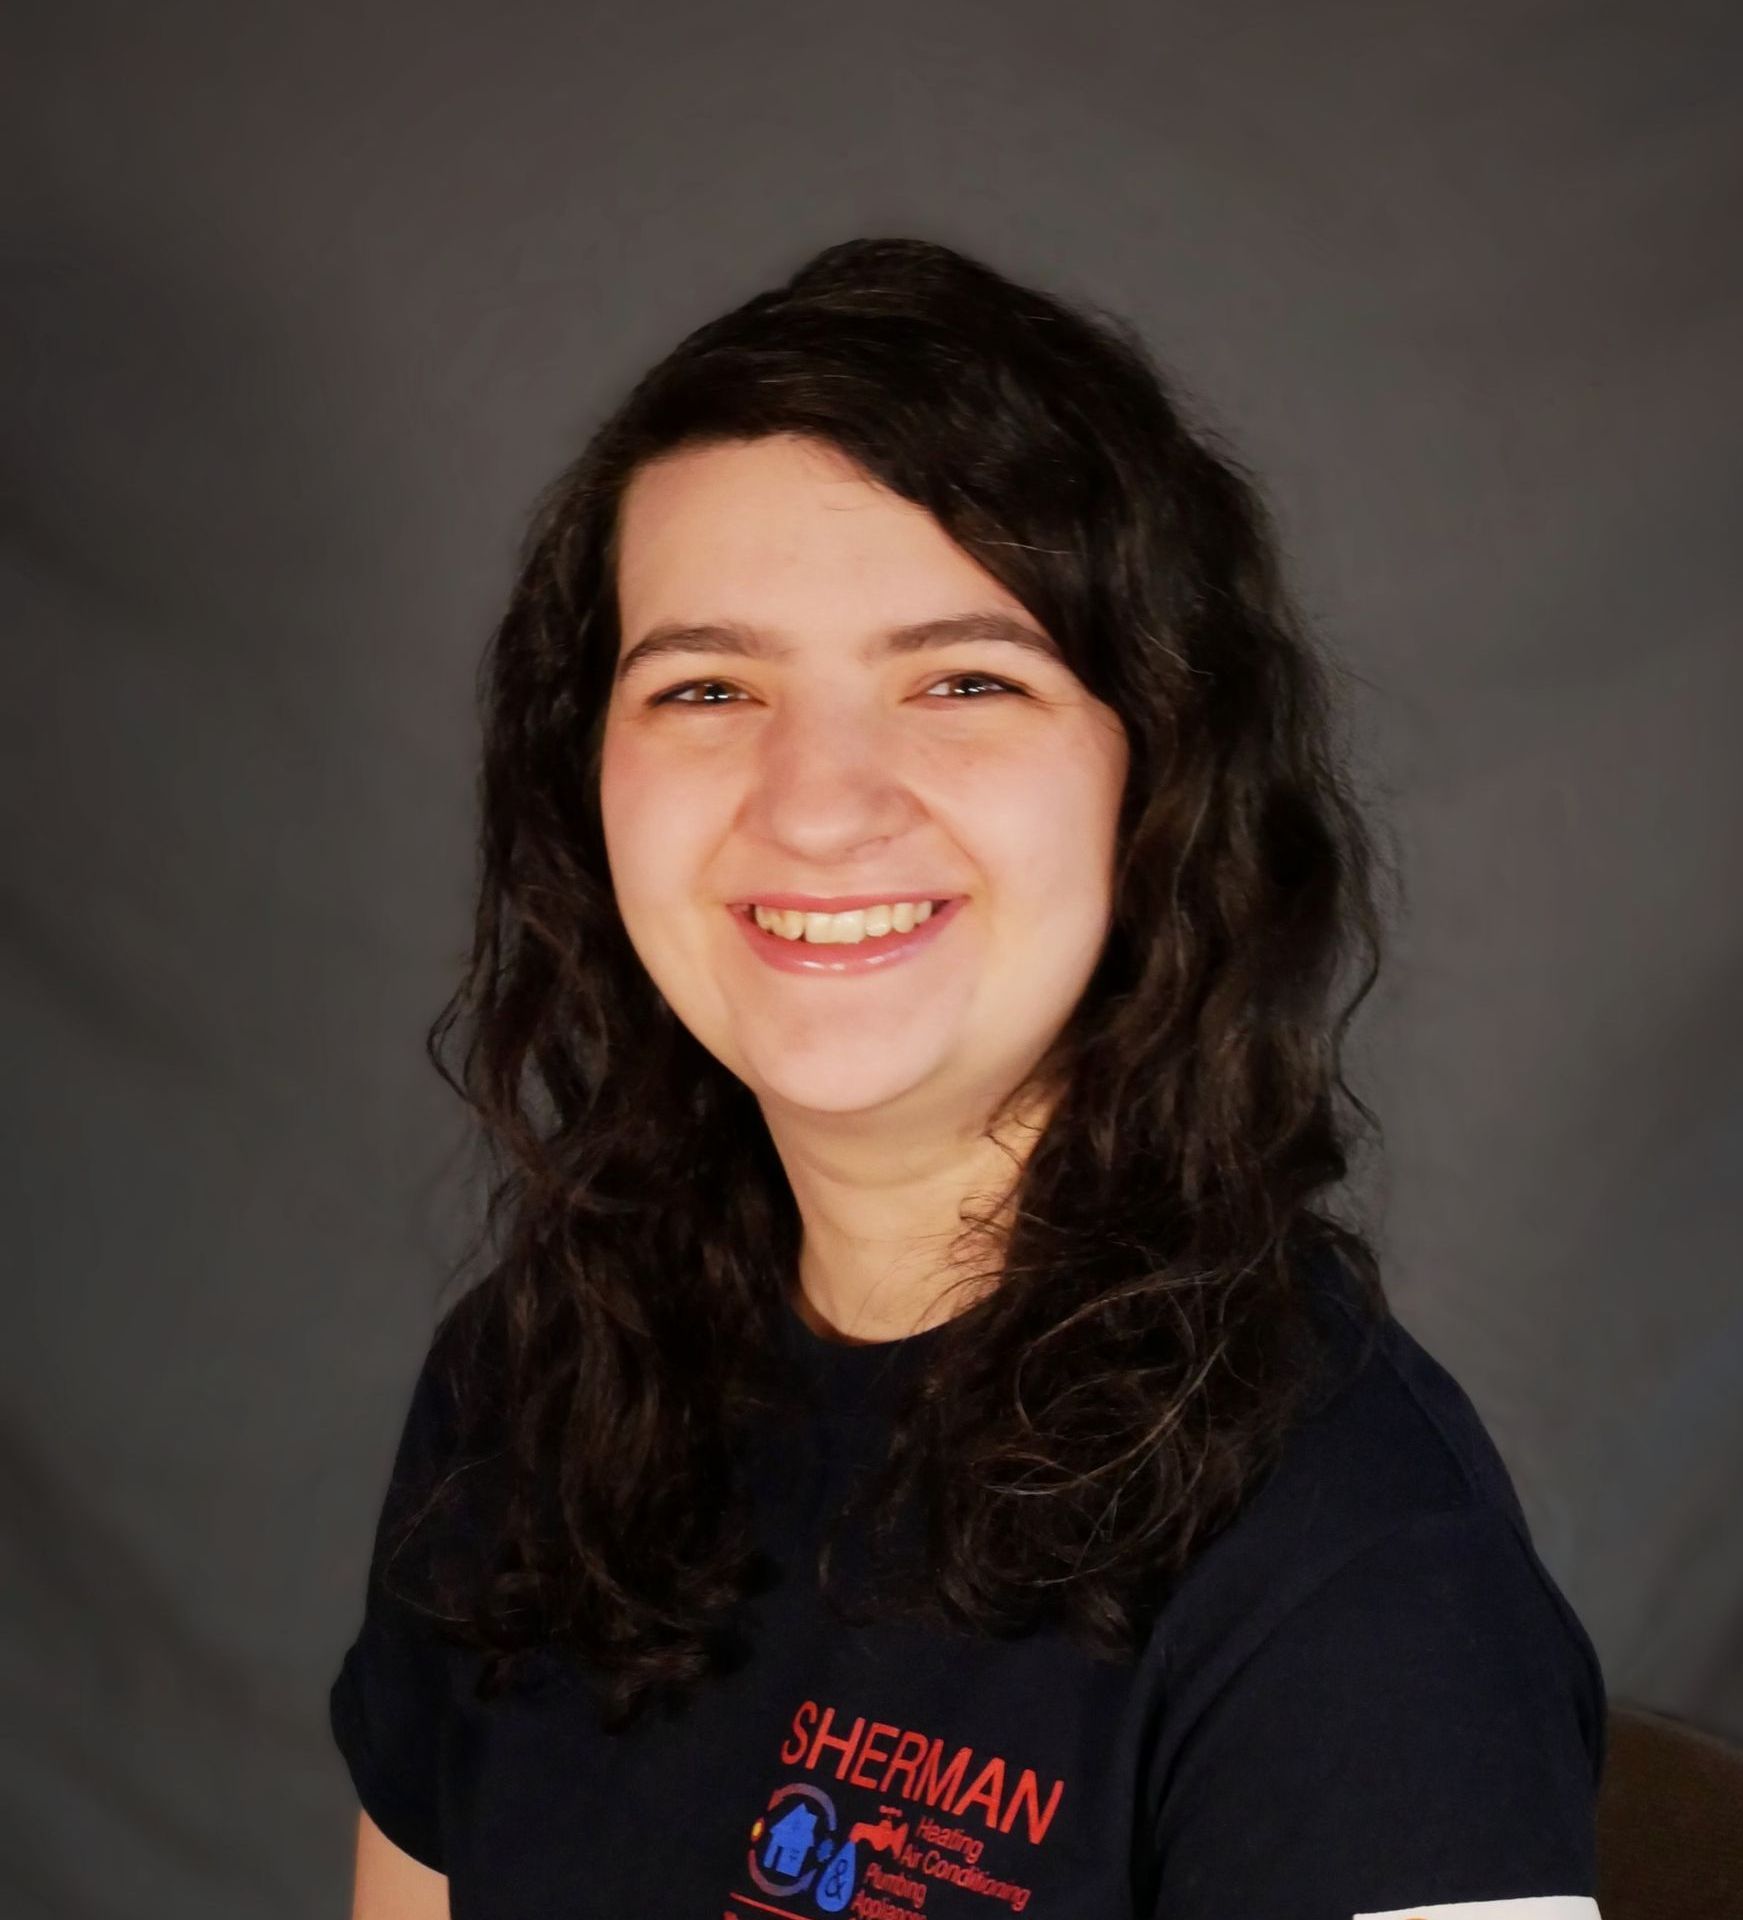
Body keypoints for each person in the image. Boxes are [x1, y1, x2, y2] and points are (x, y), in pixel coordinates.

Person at [330, 235, 1608, 1920]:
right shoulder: (531, 1382)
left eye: (963, 681)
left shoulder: (1358, 1563)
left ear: (1160, 782)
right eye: (707, 687)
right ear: (588, 787)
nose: (816, 803)